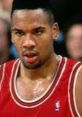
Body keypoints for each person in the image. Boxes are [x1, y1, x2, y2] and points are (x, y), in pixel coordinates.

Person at [0, 0, 82, 116]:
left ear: (54, 31)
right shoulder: (1, 77)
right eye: (19, 33)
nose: (28, 43)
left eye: (38, 32)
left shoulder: (78, 79)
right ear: (12, 36)